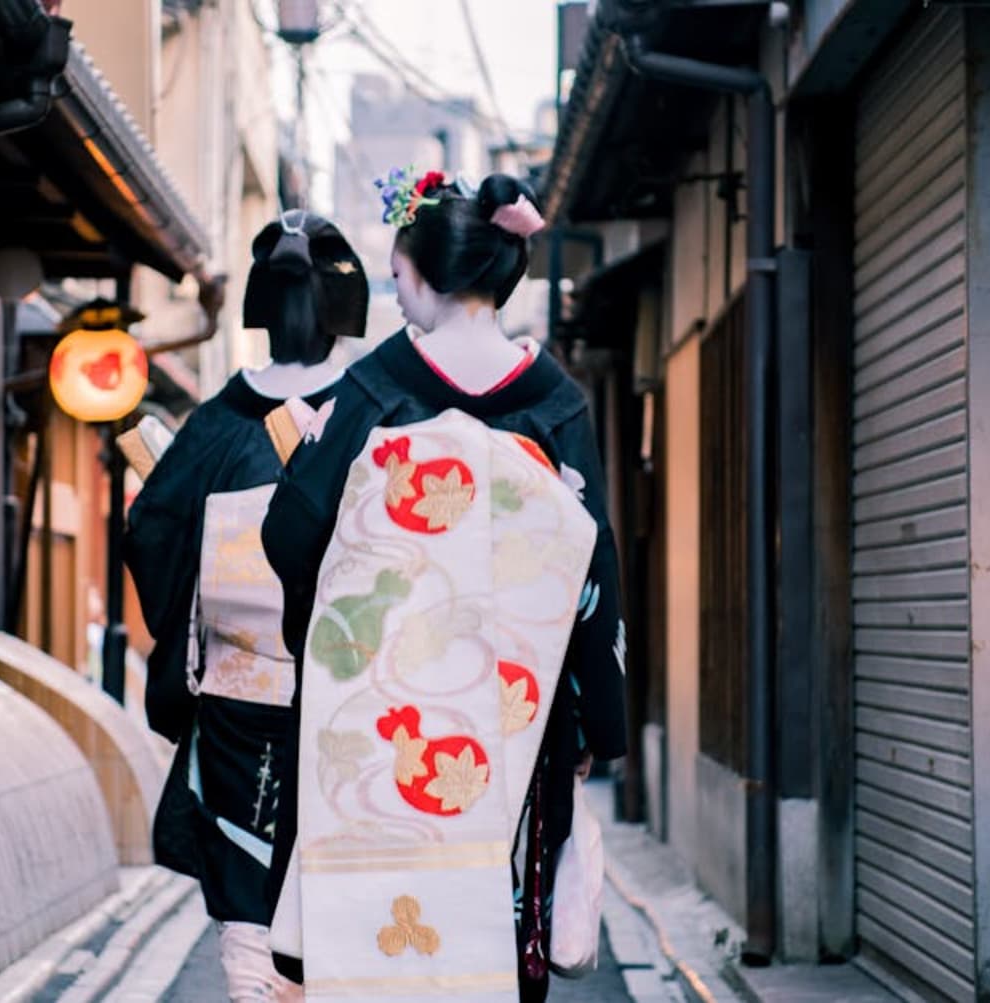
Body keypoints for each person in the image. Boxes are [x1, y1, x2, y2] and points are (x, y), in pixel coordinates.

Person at [260, 170, 628, 1001]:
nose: (398, 296)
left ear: (422, 277)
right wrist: (595, 719)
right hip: (511, 725)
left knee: (371, 952)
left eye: (396, 279)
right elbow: (592, 575)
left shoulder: (375, 390)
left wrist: (332, 635)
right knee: (490, 941)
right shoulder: (555, 403)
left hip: (378, 718)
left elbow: (291, 531)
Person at [126, 210, 369, 1002]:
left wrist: (186, 629)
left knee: (243, 870)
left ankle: (257, 989)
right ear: (345, 311)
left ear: (259, 310)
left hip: (236, 693)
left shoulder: (217, 423)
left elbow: (153, 528)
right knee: (336, 864)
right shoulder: (370, 411)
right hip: (344, 688)